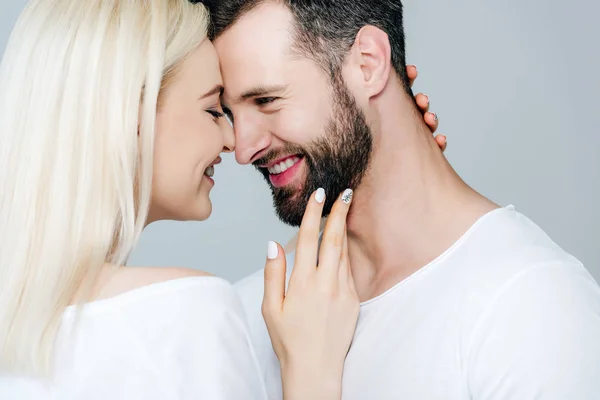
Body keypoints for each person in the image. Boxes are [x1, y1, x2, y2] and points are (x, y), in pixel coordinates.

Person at [0, 0, 441, 399]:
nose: (236, 143)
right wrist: (310, 379)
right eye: (215, 110)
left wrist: (379, 170)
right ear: (130, 116)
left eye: (263, 102)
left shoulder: (25, 321)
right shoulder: (185, 317)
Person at [203, 0, 600, 399]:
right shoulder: (251, 315)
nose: (242, 149)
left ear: (368, 65)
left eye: (266, 100)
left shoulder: (530, 306)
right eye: (231, 114)